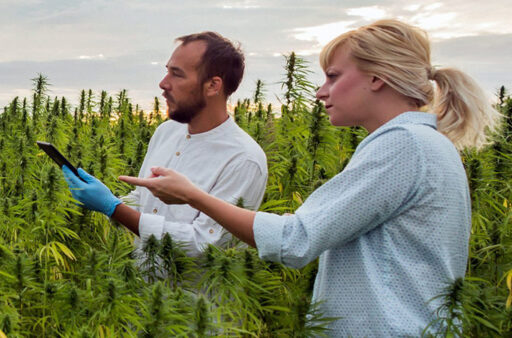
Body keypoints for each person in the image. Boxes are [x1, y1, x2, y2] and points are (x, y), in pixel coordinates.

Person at [118, 20, 501, 336]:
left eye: (334, 76)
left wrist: (192, 196)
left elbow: (295, 240)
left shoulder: (404, 146)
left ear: (377, 79)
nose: (320, 92)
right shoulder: (422, 143)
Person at [62, 32, 268, 258]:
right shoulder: (166, 132)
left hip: (194, 293)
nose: (163, 83)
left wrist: (114, 208)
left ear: (212, 85)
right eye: (167, 70)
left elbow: (204, 244)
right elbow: (145, 202)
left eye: (176, 74)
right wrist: (108, 200)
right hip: (141, 288)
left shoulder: (244, 159)